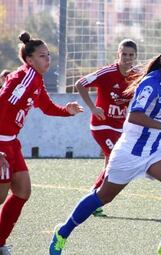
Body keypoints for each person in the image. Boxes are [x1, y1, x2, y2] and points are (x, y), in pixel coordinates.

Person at [49, 47, 161, 255]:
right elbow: (134, 116)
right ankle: (63, 231)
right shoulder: (150, 85)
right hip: (130, 151)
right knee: (103, 196)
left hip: (156, 146)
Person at [0, 31, 84, 255]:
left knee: (22, 192)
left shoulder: (35, 78)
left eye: (48, 55)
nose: (47, 60)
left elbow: (46, 106)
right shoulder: (23, 78)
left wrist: (66, 111)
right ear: (29, 59)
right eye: (42, 56)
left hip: (12, 144)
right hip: (1, 144)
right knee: (0, 197)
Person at [75, 39, 139, 217]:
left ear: (135, 56)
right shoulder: (107, 73)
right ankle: (93, 198)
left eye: (131, 55)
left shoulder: (138, 75)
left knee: (110, 163)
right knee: (115, 159)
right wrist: (92, 107)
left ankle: (93, 200)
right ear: (117, 55)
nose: (127, 58)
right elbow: (80, 83)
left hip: (120, 128)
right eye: (124, 54)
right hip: (101, 125)